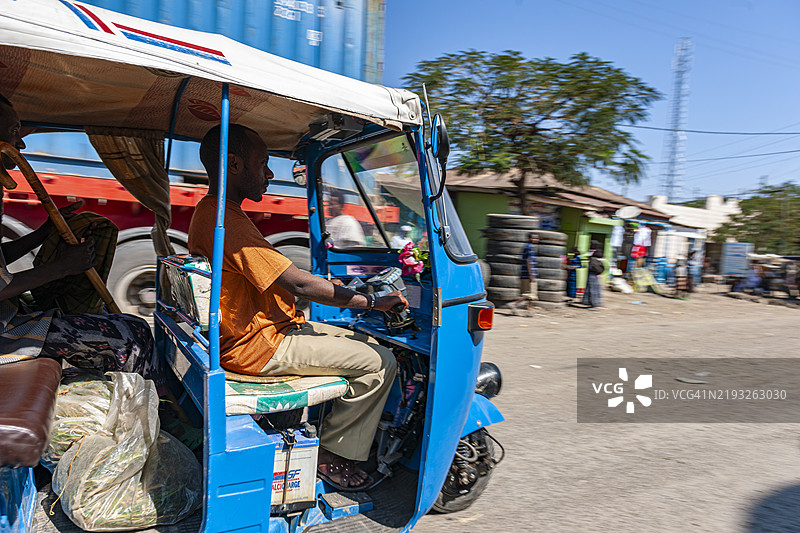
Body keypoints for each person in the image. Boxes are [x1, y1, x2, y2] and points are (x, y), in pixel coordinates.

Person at [189, 124, 407, 490]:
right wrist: (373, 302)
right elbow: (298, 282)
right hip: (259, 345)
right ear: (234, 165)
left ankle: (330, 434)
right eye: (263, 164)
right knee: (380, 363)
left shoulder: (217, 213)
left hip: (268, 331)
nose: (270, 175)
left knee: (362, 342)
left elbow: (277, 275)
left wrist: (332, 288)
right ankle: (330, 458)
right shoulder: (225, 220)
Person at [0, 94, 159, 386]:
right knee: (132, 337)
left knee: (123, 322)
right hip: (7, 333)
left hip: (10, 317)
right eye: (13, 132)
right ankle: (138, 420)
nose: (20, 144)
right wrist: (63, 267)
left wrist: (40, 234)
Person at [506, 232, 539, 315]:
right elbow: (529, 261)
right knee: (530, 293)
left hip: (525, 273)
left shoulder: (526, 247)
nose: (536, 240)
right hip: (529, 274)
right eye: (534, 238)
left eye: (537, 238)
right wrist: (531, 274)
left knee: (531, 294)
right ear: (529, 238)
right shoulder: (530, 247)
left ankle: (529, 311)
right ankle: (514, 304)